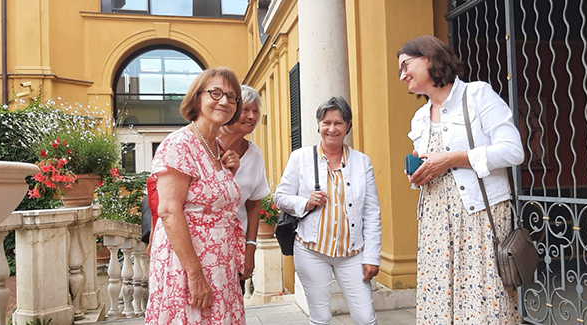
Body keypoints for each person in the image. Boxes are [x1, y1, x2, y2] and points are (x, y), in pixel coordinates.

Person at [397, 35, 524, 324]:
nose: (402, 75)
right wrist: (417, 173)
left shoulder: (477, 95)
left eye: (406, 65)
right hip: (435, 222)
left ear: (429, 58)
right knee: (440, 302)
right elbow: (430, 167)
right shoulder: (419, 118)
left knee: (484, 304)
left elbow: (513, 151)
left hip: (478, 215)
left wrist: (453, 158)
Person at [145, 67, 245, 324]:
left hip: (220, 264)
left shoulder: (219, 147)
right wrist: (194, 273)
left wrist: (230, 171)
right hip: (188, 264)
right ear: (197, 98)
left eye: (232, 97)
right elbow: (168, 211)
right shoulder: (179, 144)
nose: (225, 101)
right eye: (215, 93)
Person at [274, 96, 381, 325]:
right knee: (320, 316)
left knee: (365, 316)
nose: (332, 129)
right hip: (311, 249)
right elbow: (279, 197)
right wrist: (305, 202)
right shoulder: (300, 158)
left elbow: (371, 212)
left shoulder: (362, 162)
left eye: (338, 123)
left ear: (348, 125)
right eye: (326, 122)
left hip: (352, 253)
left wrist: (372, 256)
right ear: (319, 125)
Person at [217, 85, 270, 293]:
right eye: (245, 110)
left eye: (255, 111)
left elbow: (254, 205)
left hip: (234, 248)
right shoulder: (206, 145)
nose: (251, 116)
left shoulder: (254, 155)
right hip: (202, 245)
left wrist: (250, 248)